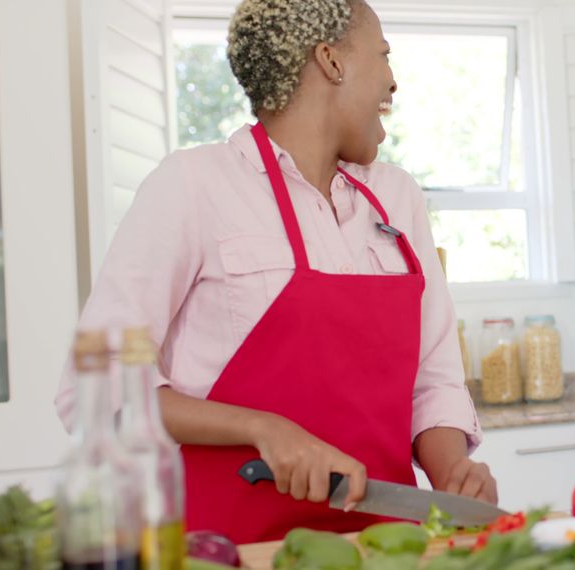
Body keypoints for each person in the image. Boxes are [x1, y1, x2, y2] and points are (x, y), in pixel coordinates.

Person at [55, 0, 496, 543]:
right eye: (383, 55)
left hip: (385, 544)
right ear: (331, 60)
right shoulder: (194, 185)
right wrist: (262, 429)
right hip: (228, 545)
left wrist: (452, 469)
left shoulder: (396, 198)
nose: (393, 81)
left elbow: (433, 379)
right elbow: (95, 389)